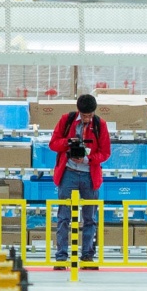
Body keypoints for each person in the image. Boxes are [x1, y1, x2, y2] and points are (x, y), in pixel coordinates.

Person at [49, 93, 110, 262]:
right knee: (63, 217)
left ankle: (88, 255)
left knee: (89, 217)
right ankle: (61, 256)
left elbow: (105, 153)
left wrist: (87, 159)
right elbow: (53, 144)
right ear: (78, 111)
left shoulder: (100, 125)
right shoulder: (66, 120)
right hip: (68, 173)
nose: (87, 119)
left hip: (89, 175)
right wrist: (68, 142)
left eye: (90, 115)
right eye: (84, 116)